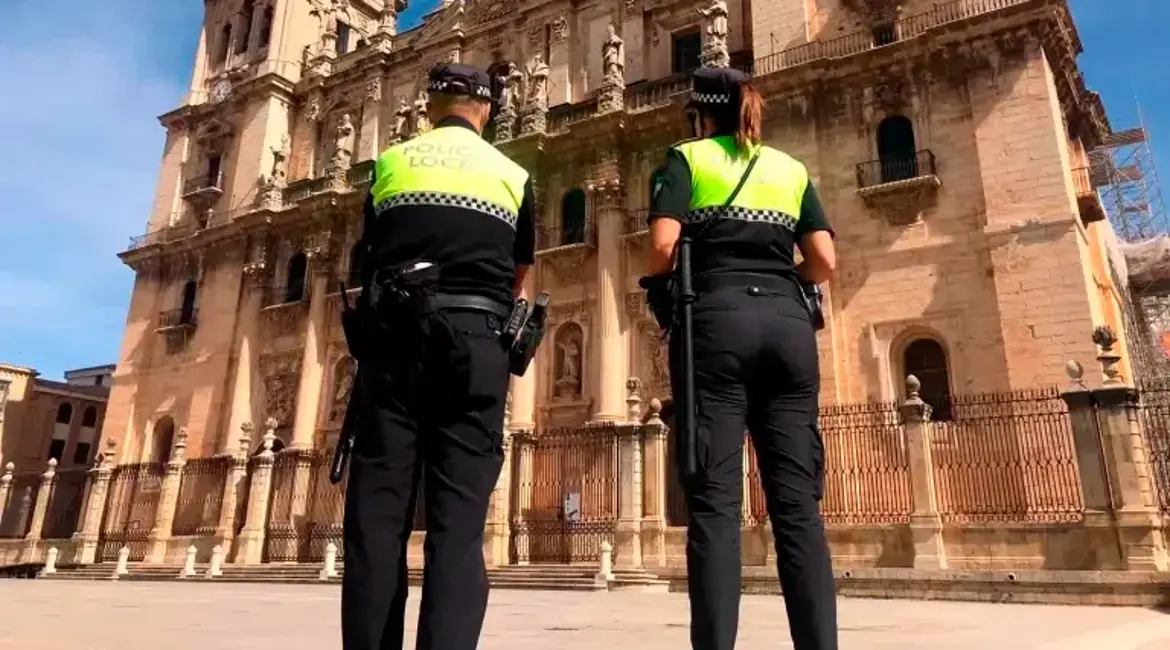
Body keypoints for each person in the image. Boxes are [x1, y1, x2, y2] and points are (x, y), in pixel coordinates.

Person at [342, 63, 536, 650]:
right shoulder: (514, 174)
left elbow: (367, 261)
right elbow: (520, 276)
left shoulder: (391, 165)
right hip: (477, 345)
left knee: (377, 526)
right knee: (458, 531)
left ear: (429, 107)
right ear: (487, 110)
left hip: (395, 344)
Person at [644, 67, 839, 650]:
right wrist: (783, 282)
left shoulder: (688, 158)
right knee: (798, 510)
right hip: (788, 328)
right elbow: (824, 259)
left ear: (699, 116)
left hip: (717, 324)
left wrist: (665, 280)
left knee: (715, 509)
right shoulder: (790, 169)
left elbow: (660, 246)